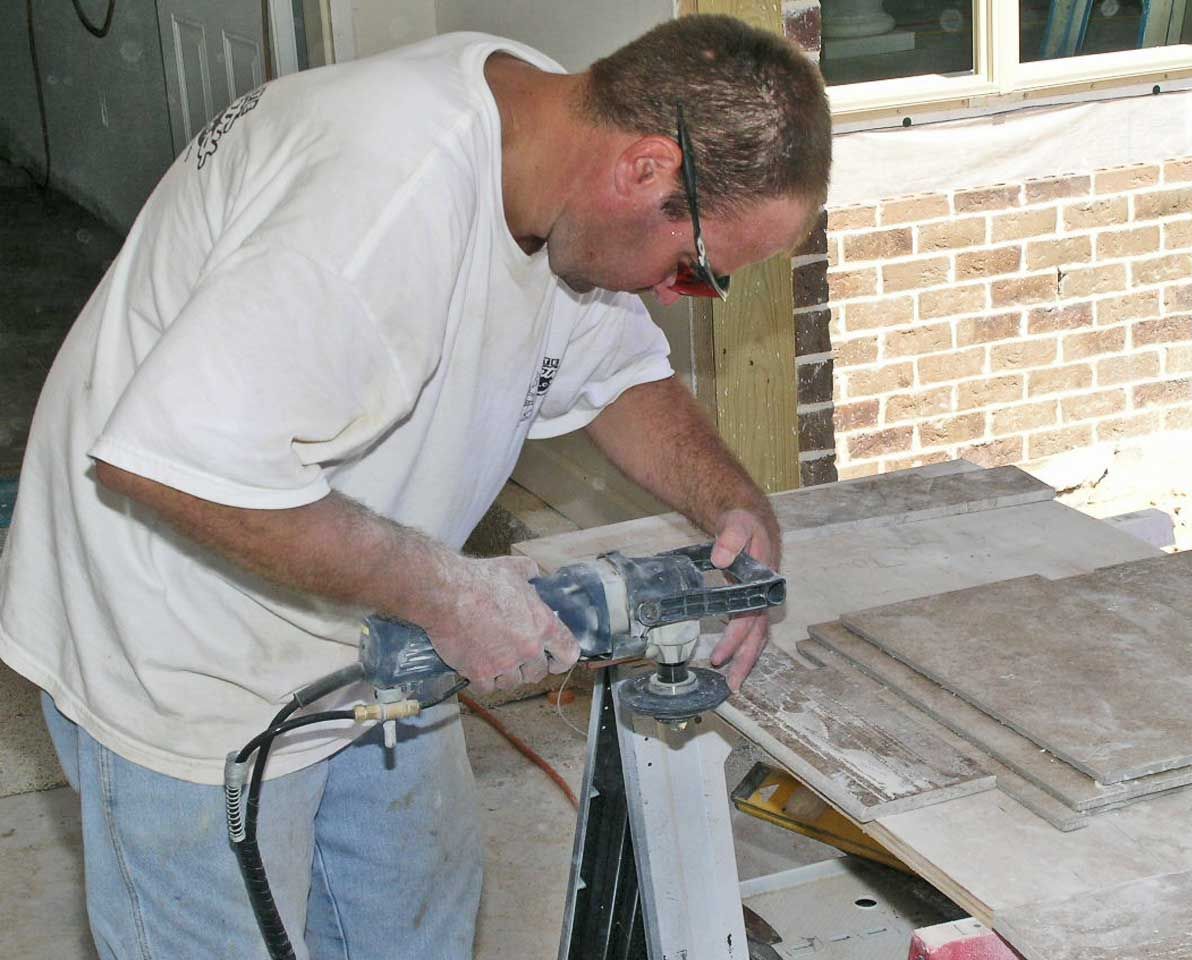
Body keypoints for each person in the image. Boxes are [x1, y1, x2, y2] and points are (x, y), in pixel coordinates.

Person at [0, 13, 831, 959]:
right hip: (183, 645)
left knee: (414, 928)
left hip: (372, 613)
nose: (673, 292)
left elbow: (621, 378)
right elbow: (171, 467)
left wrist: (734, 504)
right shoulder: (382, 195)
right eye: (693, 271)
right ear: (645, 170)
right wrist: (449, 594)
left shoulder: (558, 158)